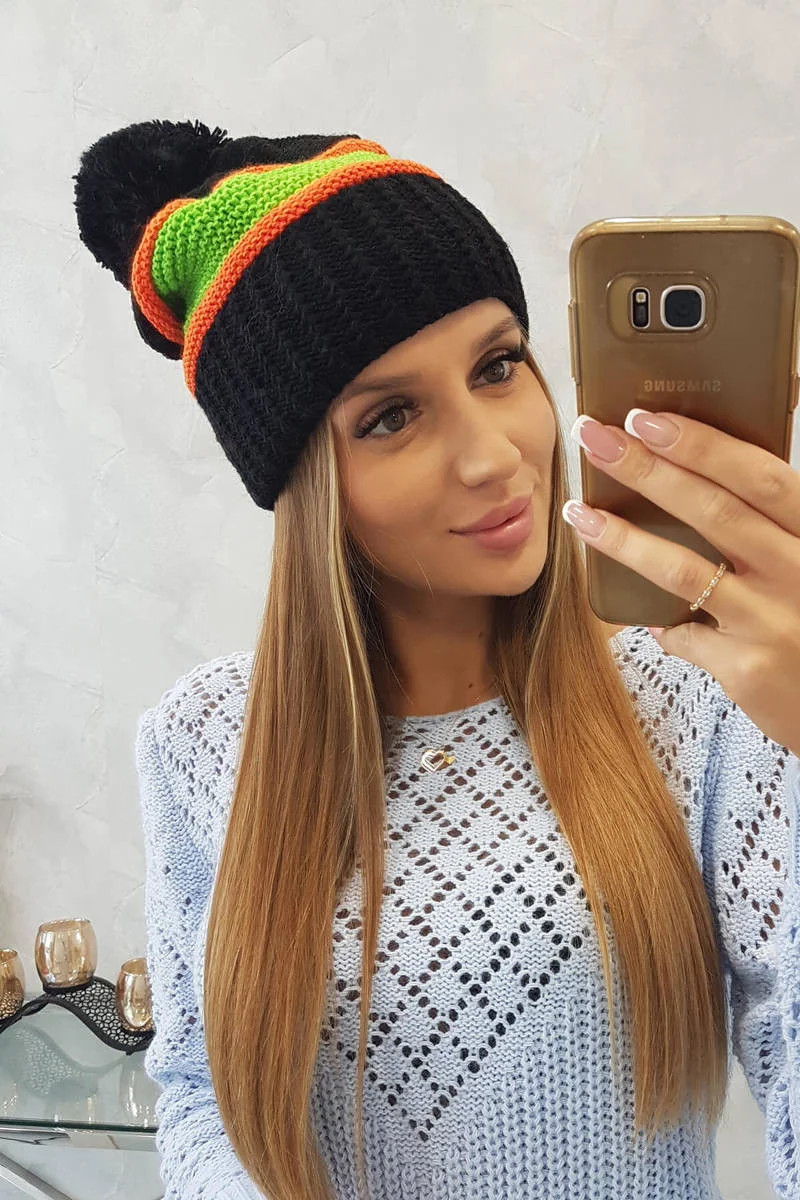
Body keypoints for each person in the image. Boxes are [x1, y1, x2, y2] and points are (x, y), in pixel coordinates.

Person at [73, 120, 800, 1200]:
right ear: (305, 483)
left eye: (498, 366)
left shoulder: (703, 692)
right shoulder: (201, 739)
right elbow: (195, 1090)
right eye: (390, 418)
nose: (493, 454)